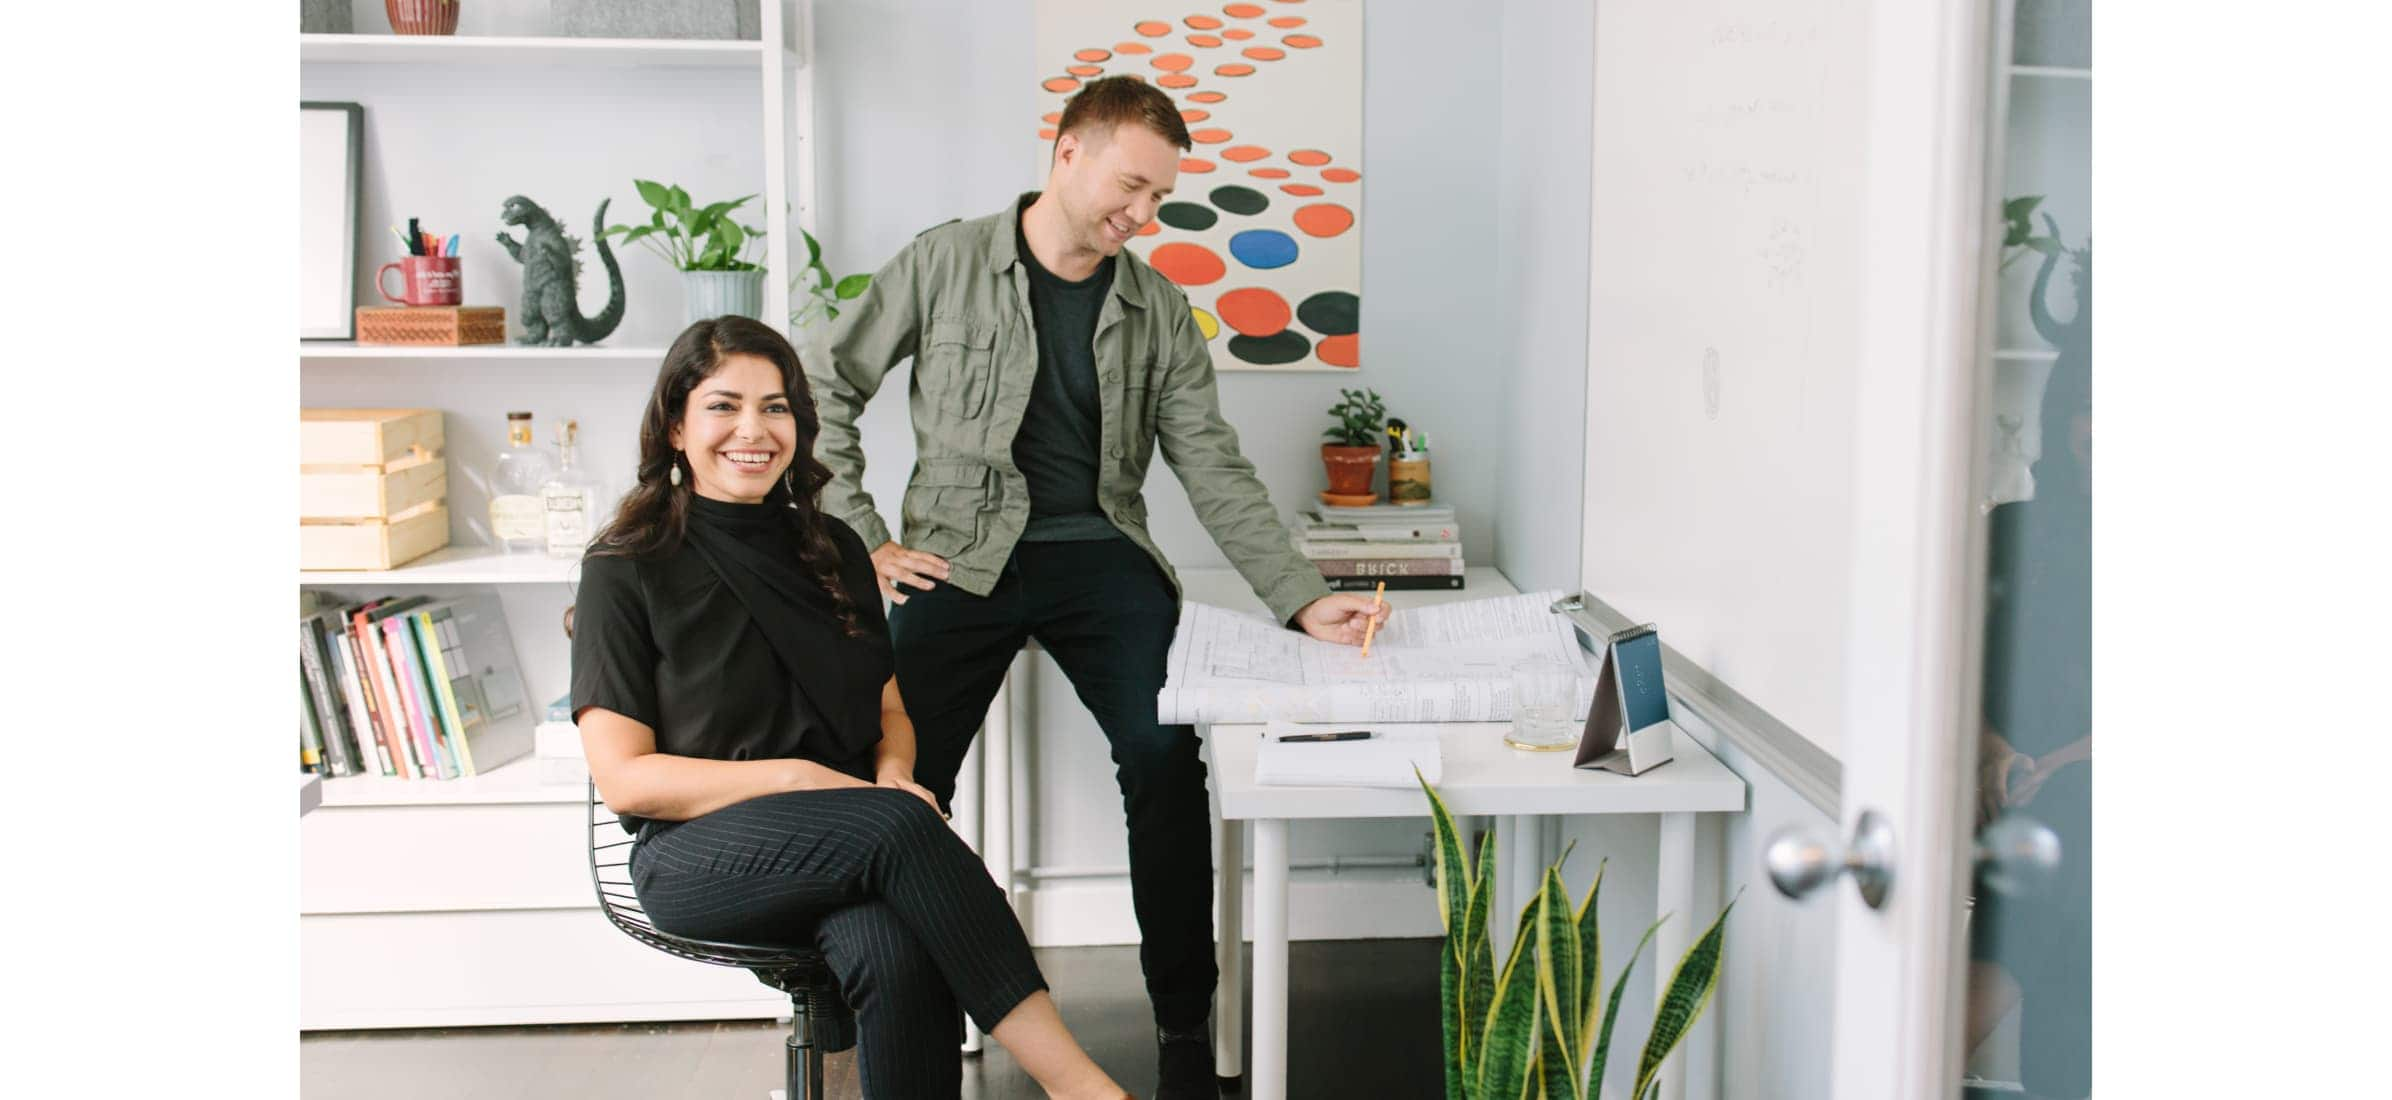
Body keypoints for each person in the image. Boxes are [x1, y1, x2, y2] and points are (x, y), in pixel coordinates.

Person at [809, 75, 1389, 1096]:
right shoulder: (943, 262)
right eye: (1133, 185)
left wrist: (1301, 593)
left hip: (1100, 555)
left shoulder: (1156, 307)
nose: (1144, 215)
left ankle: (1180, 1024)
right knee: (889, 785)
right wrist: (864, 538)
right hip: (959, 555)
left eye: (1161, 198)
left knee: (1164, 759)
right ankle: (887, 1008)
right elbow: (824, 386)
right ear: (1066, 151)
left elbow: (1210, 462)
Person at [571, 316, 1133, 1100]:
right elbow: (628, 782)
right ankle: (1082, 1088)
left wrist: (895, 772)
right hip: (694, 856)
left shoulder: (832, 546)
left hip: (849, 836)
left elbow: (890, 712)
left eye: (776, 408)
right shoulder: (625, 568)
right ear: (675, 424)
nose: (754, 430)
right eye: (724, 406)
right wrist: (801, 780)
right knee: (900, 827)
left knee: (895, 948)